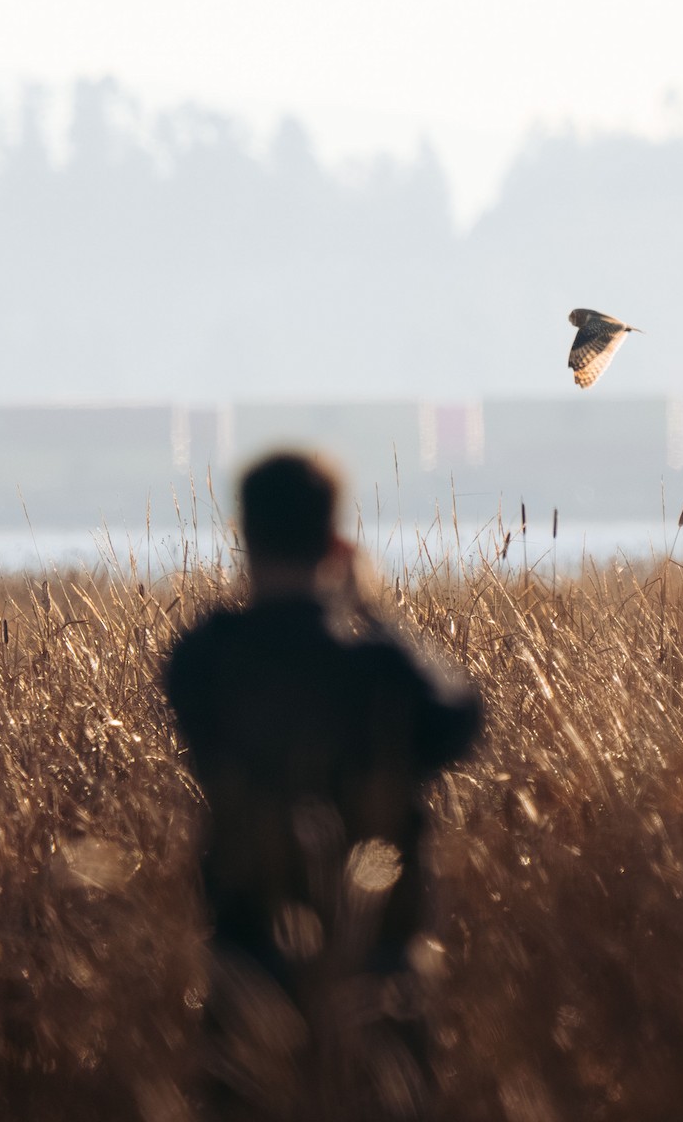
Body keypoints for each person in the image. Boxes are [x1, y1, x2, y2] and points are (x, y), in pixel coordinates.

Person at [165, 452, 480, 1120]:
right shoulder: (377, 663)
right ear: (337, 542)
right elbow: (461, 720)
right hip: (379, 963)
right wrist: (369, 609)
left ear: (243, 537)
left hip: (245, 958)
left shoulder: (203, 656)